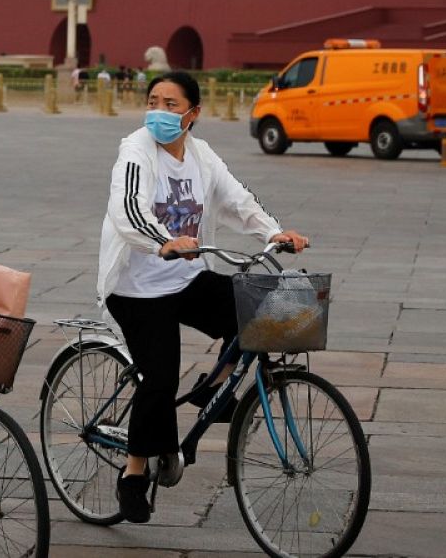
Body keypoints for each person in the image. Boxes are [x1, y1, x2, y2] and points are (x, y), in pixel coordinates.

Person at [98, 70, 308, 524]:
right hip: (136, 288)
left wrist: (275, 232)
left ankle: (212, 387)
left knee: (261, 309)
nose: (159, 111)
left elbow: (237, 200)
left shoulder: (201, 154)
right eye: (153, 100)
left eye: (171, 104)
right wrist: (162, 241)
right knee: (159, 377)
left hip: (185, 277)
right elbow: (126, 207)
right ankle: (133, 474)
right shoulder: (135, 149)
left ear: (193, 114)